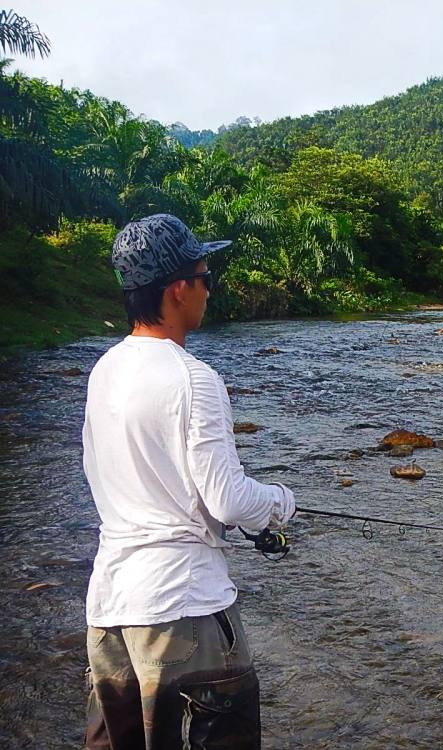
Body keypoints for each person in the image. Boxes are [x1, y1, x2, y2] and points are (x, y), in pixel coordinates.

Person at [82, 214, 295, 749]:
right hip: (185, 606)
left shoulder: (106, 369)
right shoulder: (193, 377)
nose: (209, 289)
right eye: (205, 276)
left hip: (110, 608)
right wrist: (281, 502)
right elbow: (227, 498)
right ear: (178, 289)